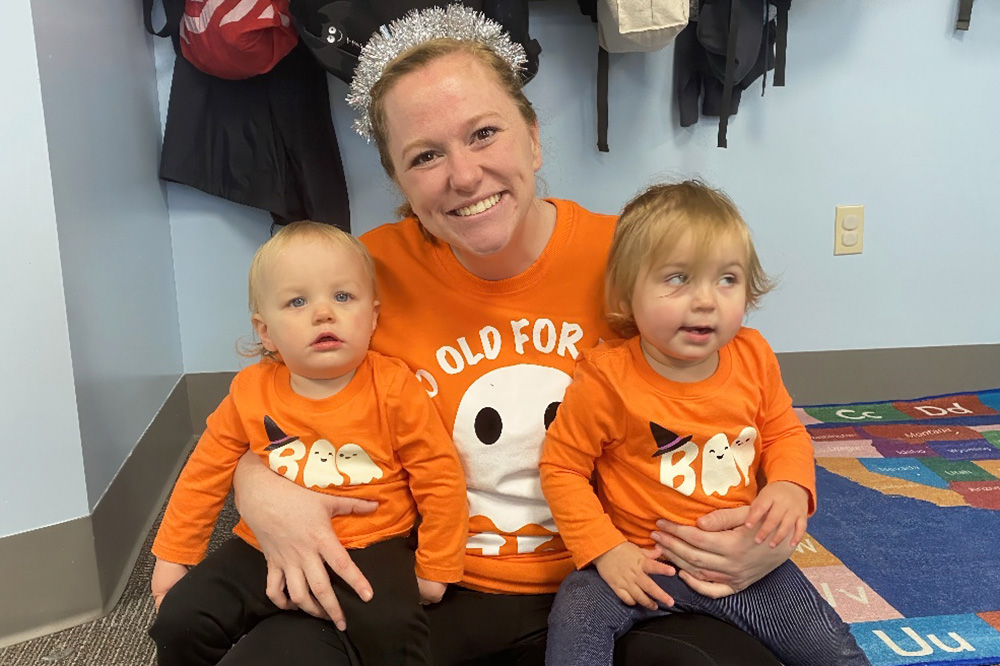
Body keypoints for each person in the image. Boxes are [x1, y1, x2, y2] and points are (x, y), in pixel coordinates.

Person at [230, 6, 792, 665]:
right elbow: (266, 407)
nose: (463, 176)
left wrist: (773, 530)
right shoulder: (361, 279)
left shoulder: (635, 262)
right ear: (398, 179)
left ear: (532, 137)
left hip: (629, 578)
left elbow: (746, 409)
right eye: (426, 155)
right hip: (428, 585)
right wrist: (257, 488)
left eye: (484, 133)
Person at [539, 181, 870, 666]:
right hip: (642, 564)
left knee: (833, 648)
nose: (705, 300)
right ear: (628, 292)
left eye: (727, 279)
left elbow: (783, 433)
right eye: (677, 278)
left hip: (746, 566)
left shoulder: (753, 356)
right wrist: (606, 550)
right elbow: (562, 468)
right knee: (576, 608)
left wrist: (791, 486)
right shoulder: (606, 379)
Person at [148, 221, 468, 666]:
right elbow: (204, 473)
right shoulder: (249, 390)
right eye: (297, 301)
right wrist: (173, 557)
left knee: (397, 634)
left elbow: (439, 475)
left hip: (371, 546)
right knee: (179, 620)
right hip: (265, 544)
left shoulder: (393, 386)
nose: (323, 313)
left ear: (373, 316)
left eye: (342, 297)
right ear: (265, 331)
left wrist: (437, 566)